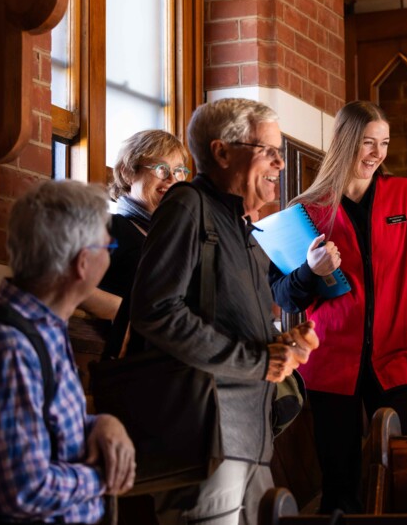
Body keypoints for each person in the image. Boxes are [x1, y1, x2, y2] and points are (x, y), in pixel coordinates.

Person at [269, 100, 407, 514]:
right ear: (342, 141)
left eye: (384, 143)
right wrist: (311, 272)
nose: (377, 154)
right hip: (331, 360)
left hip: (399, 354)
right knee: (340, 487)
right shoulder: (306, 211)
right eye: (367, 143)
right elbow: (284, 295)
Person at [130, 97, 319, 525]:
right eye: (267, 150)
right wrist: (255, 360)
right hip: (205, 439)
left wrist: (282, 347)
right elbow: (156, 310)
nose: (280, 163)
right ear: (221, 152)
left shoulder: (243, 228)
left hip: (250, 437)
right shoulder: (186, 206)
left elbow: (230, 326)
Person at [0, 180, 137, 524]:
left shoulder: (44, 331)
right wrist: (103, 477)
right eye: (110, 247)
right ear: (82, 262)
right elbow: (22, 489)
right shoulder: (7, 348)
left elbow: (45, 428)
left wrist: (101, 424)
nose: (110, 255)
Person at [79, 130, 189, 353]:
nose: (171, 179)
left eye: (179, 172)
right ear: (128, 173)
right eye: (161, 169)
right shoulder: (109, 227)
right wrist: (126, 313)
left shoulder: (177, 238)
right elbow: (68, 282)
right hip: (131, 367)